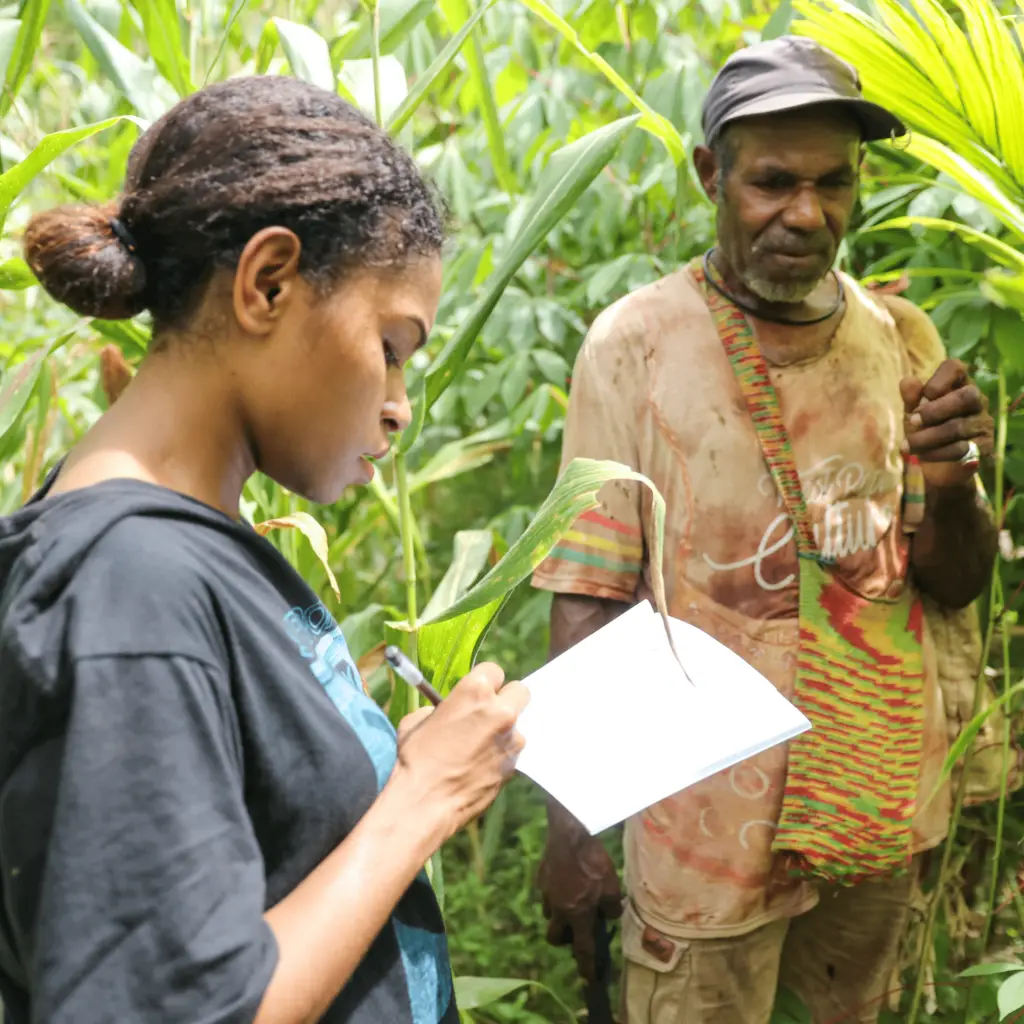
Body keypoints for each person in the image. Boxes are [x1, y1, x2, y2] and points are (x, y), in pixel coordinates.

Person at [0, 76, 529, 1024]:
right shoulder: (132, 590)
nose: (401, 403)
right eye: (394, 344)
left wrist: (383, 770)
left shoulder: (184, 548)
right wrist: (422, 800)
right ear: (267, 283)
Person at [531, 35, 999, 1024]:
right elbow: (590, 592)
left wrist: (953, 478)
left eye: (832, 184)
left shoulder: (901, 339)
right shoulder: (635, 345)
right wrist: (572, 829)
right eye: (772, 182)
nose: (805, 213)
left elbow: (949, 584)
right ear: (712, 174)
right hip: (703, 826)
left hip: (874, 809)